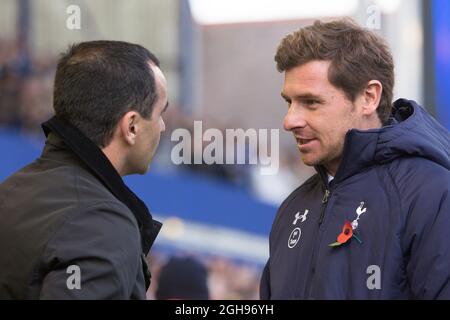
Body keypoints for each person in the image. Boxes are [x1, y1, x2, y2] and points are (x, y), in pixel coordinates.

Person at [260, 19, 450, 299]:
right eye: (289, 102)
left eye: (311, 102)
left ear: (368, 97)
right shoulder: (291, 209)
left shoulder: (433, 195)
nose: (290, 120)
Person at [0, 40, 168, 299]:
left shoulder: (12, 190)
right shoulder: (101, 225)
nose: (163, 127)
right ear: (132, 126)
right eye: (159, 114)